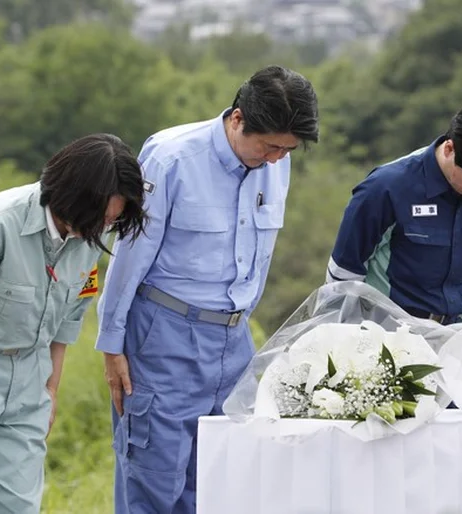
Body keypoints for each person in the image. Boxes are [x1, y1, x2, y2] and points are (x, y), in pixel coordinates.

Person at [95, 65, 319, 513]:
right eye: (270, 146)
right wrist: (112, 345)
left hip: (235, 343)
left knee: (222, 483)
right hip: (164, 339)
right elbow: (130, 257)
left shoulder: (277, 164)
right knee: (153, 484)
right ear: (238, 119)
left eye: (287, 149)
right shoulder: (170, 157)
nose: (276, 158)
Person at [0, 134, 147, 514]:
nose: (105, 226)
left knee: (19, 506)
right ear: (74, 196)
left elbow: (67, 322)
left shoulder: (86, 239)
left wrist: (49, 392)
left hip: (29, 381)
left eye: (112, 220)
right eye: (101, 217)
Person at [326, 104, 462, 324]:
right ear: (450, 149)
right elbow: (342, 278)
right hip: (389, 335)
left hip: (455, 335)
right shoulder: (385, 188)